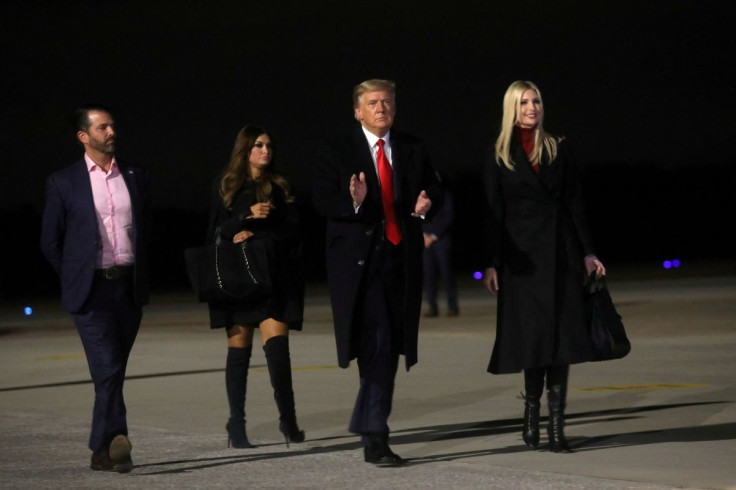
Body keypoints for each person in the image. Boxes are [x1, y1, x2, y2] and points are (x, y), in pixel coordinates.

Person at [313, 79, 442, 466]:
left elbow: (435, 188)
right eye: (373, 103)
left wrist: (426, 203)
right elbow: (321, 200)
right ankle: (375, 433)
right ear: (358, 111)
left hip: (400, 262)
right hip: (361, 266)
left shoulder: (413, 147)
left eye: (387, 102)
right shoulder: (337, 149)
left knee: (384, 350)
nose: (381, 108)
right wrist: (352, 202)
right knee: (379, 345)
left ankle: (371, 430)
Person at [482, 81, 606, 453]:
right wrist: (492, 263)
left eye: (536, 100)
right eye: (523, 102)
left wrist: (588, 252)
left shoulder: (559, 148)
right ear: (512, 108)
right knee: (534, 339)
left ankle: (557, 428)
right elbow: (494, 214)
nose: (532, 107)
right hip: (522, 262)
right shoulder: (497, 153)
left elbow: (575, 204)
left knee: (562, 340)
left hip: (561, 255)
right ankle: (532, 415)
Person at [40, 104, 150, 472]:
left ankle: (100, 449)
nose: (111, 132)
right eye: (102, 127)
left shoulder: (135, 175)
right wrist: (75, 276)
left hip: (128, 288)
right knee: (107, 369)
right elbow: (50, 241)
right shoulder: (63, 181)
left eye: (113, 126)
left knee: (113, 372)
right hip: (91, 292)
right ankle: (118, 444)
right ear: (83, 136)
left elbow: (147, 229)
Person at [207, 125, 305, 449]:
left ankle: (288, 419)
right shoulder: (227, 186)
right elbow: (215, 233)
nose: (265, 151)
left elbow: (294, 233)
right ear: (245, 150)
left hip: (272, 279)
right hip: (237, 282)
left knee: (279, 354)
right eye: (258, 145)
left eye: (269, 146)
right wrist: (243, 219)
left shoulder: (279, 187)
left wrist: (259, 236)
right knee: (239, 354)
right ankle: (236, 425)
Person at [422, 188, 459, 317]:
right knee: (428, 274)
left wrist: (433, 236)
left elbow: (448, 216)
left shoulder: (444, 194)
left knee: (447, 273)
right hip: (424, 240)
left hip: (441, 239)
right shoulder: (419, 194)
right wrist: (423, 235)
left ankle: (452, 306)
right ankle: (432, 306)